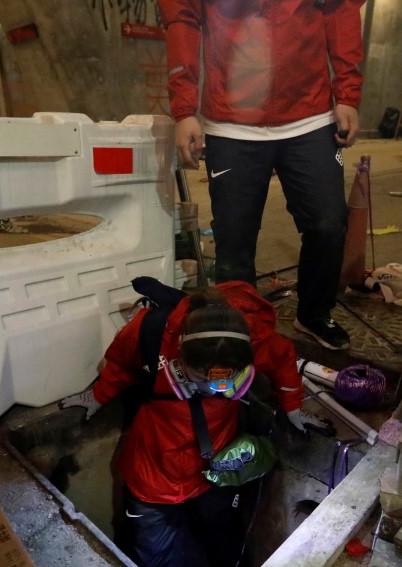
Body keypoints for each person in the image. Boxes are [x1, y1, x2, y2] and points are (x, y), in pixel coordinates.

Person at [60, 281, 326, 567]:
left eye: (224, 382)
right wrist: (97, 396)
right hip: (154, 473)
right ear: (179, 350)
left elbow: (284, 358)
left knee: (220, 541)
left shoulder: (254, 335)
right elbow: (119, 363)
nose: (212, 389)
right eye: (200, 378)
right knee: (150, 555)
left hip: (213, 472)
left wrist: (292, 405)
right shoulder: (151, 331)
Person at [157, 0, 366, 351]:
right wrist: (183, 110)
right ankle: (242, 327)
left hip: (309, 113)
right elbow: (183, 19)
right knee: (234, 238)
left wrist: (347, 94)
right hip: (230, 119)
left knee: (328, 224)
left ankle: (314, 314)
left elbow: (340, 11)